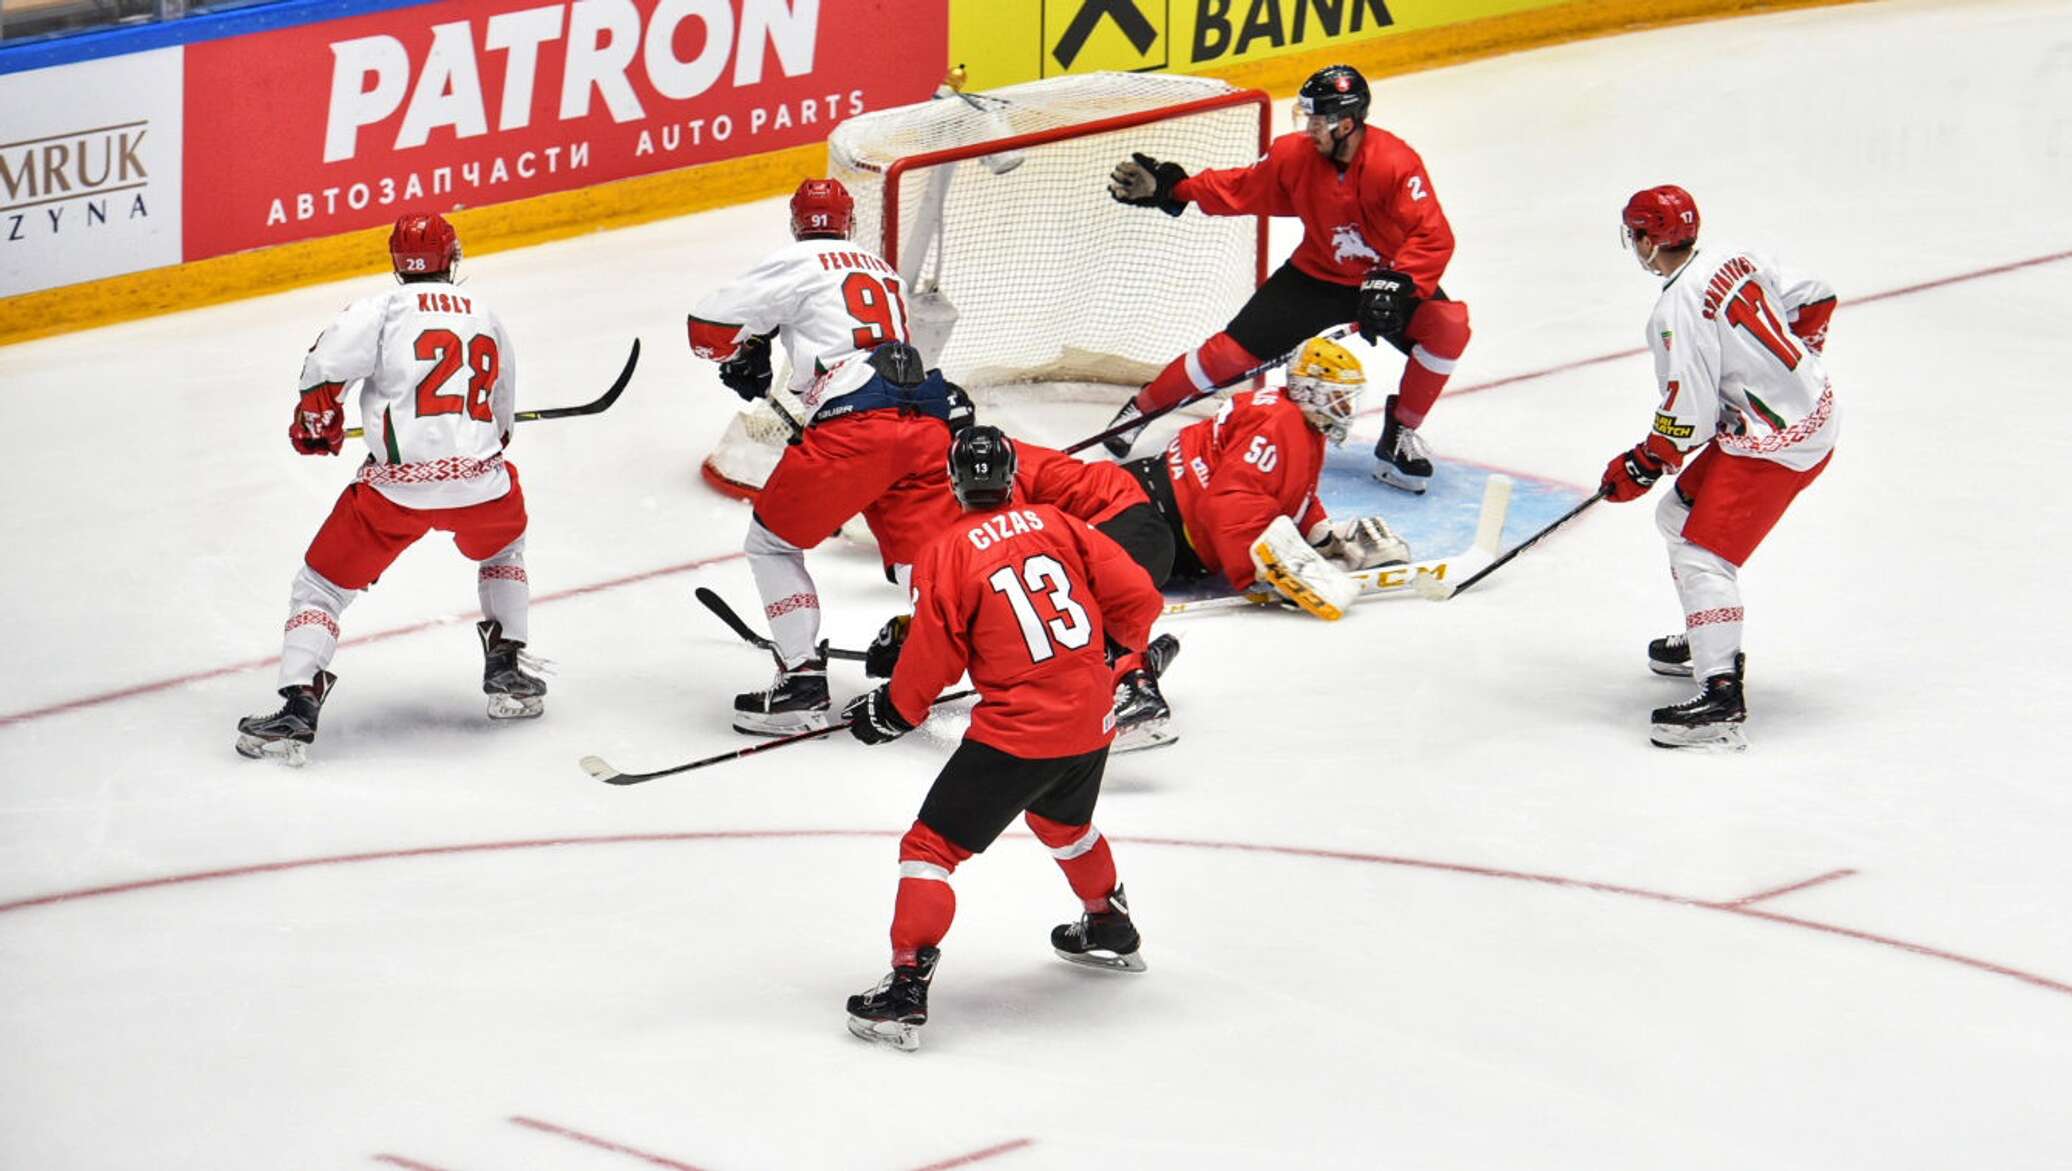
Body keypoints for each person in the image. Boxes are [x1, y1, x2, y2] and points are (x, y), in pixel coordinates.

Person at [841, 426, 1165, 1052]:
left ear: (955, 484)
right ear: (1015, 476)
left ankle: (905, 990)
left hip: (1020, 734)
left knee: (929, 848)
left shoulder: (948, 551)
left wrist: (892, 712)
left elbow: (935, 657)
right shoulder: (1058, 523)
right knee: (1063, 824)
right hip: (1092, 717)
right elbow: (1139, 597)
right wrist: (1114, 649)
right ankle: (1109, 924)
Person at [235, 213, 543, 766]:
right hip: (483, 486)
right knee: (501, 548)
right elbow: (502, 425)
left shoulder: (379, 309)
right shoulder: (486, 314)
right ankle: (506, 666)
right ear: (453, 258)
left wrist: (318, 424)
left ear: (397, 264)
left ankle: (299, 702)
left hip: (396, 493)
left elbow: (322, 374)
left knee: (320, 587)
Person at [1104, 63, 1472, 494]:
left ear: (1346, 123)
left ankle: (1401, 433)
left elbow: (1432, 236)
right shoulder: (1293, 156)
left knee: (1448, 329)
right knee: (1227, 356)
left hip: (1385, 280)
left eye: (1317, 120)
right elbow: (1241, 187)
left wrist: (1400, 282)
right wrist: (1175, 189)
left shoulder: (1395, 164)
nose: (1308, 128)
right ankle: (1141, 410)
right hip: (1314, 278)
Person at [688, 178, 962, 735]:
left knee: (771, 542)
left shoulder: (796, 259)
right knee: (924, 562)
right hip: (925, 418)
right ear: (851, 222)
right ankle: (958, 656)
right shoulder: (879, 268)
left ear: (795, 223)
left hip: (856, 426)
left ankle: (801, 681)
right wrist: (762, 344)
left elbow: (706, 329)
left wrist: (743, 352)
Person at [1600, 185, 1838, 750]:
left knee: (1701, 551)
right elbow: (1818, 298)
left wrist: (1642, 462)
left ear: (1646, 239)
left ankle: (1720, 696)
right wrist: (1787, 375)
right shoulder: (1735, 256)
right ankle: (1713, 637)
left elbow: (1689, 414)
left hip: (1776, 442)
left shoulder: (1674, 310)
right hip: (1809, 411)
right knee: (1677, 513)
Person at [864, 436, 1183, 749]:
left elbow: (995, 588)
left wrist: (913, 642)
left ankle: (1136, 688)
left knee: (1052, 608)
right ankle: (1128, 663)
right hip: (1139, 527)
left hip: (1120, 528)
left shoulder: (970, 478)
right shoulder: (992, 457)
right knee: (1062, 619)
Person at [1118, 335, 1411, 620]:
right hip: (1149, 518)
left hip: (1150, 503)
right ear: (1309, 391)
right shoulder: (1279, 423)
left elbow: (1277, 489)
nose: (1346, 410)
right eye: (1338, 399)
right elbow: (1229, 502)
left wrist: (1325, 535)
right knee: (1113, 582)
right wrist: (1260, 573)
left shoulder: (1295, 419)